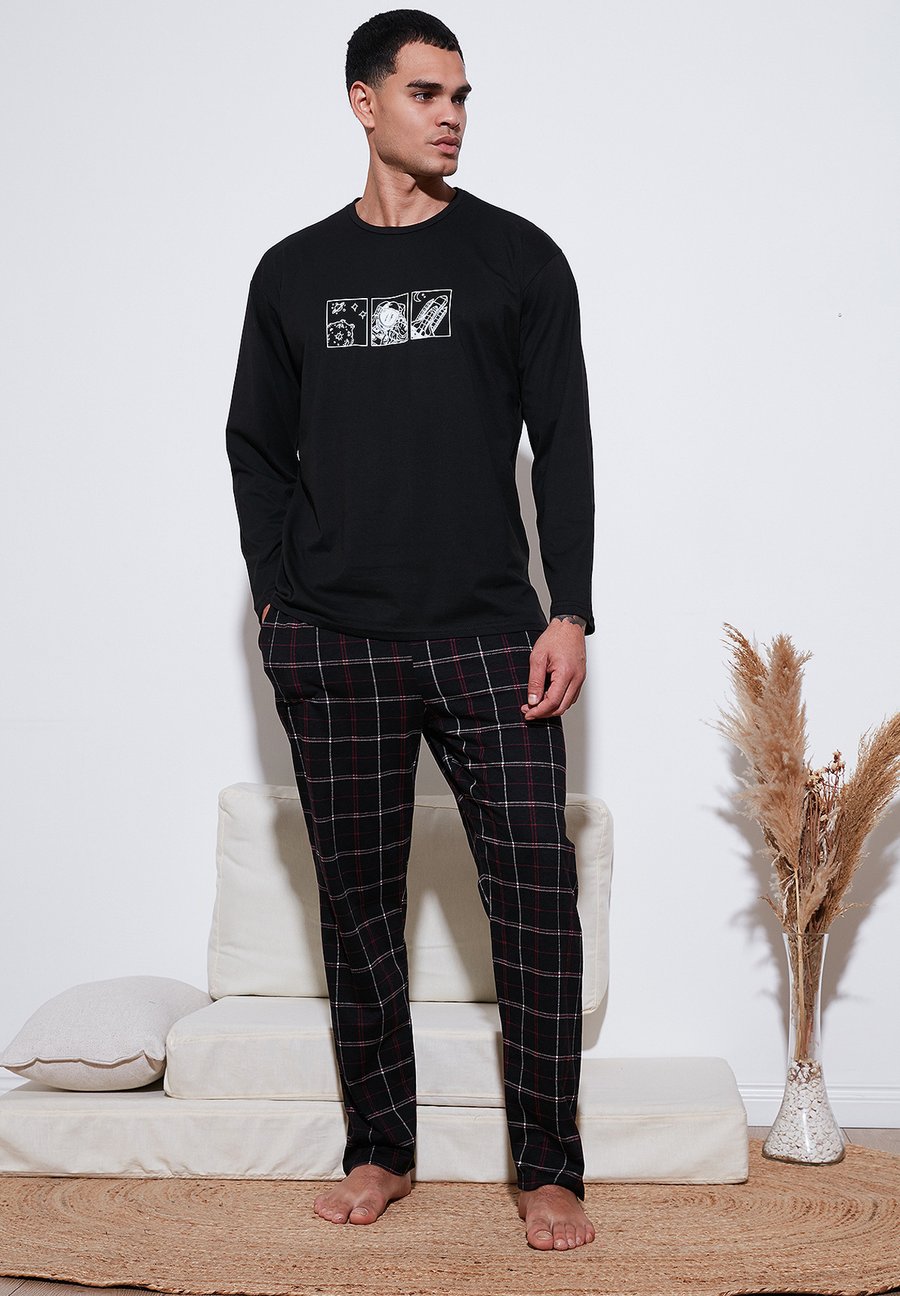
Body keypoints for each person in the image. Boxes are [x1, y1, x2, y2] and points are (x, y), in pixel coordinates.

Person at [225, 8, 596, 1251]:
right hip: (333, 639)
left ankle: (549, 1166)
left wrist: (570, 609)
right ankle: (380, 1150)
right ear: (364, 102)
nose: (451, 116)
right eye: (427, 93)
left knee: (535, 902)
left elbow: (565, 445)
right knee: (359, 912)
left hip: (491, 637)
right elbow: (254, 447)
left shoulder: (518, 258)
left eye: (462, 96)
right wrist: (276, 600)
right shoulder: (293, 272)